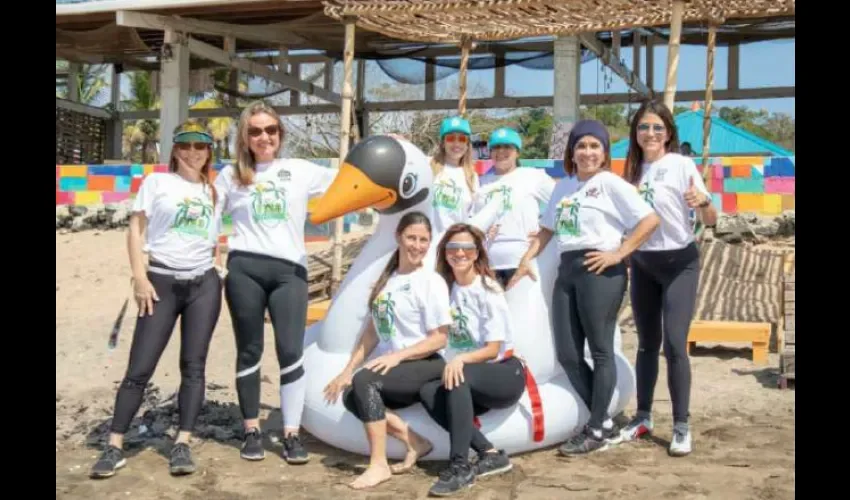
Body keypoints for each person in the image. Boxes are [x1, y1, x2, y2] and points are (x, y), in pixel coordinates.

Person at [512, 119, 660, 455]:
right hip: (567, 270)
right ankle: (604, 421)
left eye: (595, 146)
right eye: (582, 146)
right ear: (572, 151)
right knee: (567, 353)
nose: (588, 152)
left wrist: (619, 253)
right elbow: (547, 230)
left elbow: (650, 220)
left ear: (605, 152)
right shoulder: (563, 187)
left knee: (600, 350)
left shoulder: (610, 183)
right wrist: (526, 260)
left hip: (599, 272)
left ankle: (595, 429)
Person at [90, 121, 223, 478]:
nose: (193, 151)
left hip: (204, 285)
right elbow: (136, 229)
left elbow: (217, 235)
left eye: (200, 145)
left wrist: (219, 265)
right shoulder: (157, 183)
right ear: (175, 150)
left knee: (193, 367)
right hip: (160, 281)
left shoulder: (214, 189)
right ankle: (114, 444)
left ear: (210, 150)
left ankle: (182, 442)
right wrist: (139, 276)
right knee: (140, 368)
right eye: (185, 145)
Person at [214, 100, 337, 464]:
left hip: (290, 273)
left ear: (280, 135)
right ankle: (251, 429)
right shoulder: (231, 175)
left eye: (270, 130)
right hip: (244, 271)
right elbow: (205, 214)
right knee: (249, 350)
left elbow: (350, 179)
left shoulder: (299, 170)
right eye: (255, 131)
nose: (263, 137)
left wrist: (387, 147)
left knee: (290, 351)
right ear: (245, 137)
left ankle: (291, 434)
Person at [614, 100, 718, 456]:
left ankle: (681, 424)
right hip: (643, 264)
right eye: (644, 127)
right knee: (645, 343)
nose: (651, 133)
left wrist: (703, 201)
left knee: (675, 344)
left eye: (658, 127)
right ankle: (643, 416)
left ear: (669, 132)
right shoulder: (630, 170)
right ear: (636, 133)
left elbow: (712, 219)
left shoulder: (681, 164)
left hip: (679, 263)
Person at [323, 211, 451, 490]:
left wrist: (397, 356)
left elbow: (440, 338)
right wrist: (347, 371)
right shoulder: (388, 280)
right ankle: (415, 441)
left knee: (364, 381)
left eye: (423, 240)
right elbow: (371, 333)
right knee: (350, 395)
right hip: (397, 365)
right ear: (398, 237)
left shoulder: (431, 281)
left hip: (425, 362)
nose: (417, 245)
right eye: (411, 238)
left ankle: (378, 464)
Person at [418, 223, 525, 496]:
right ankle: (489, 453)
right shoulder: (445, 289)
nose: (460, 253)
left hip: (503, 372)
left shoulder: (487, 289)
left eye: (467, 248)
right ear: (445, 253)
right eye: (453, 248)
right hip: (468, 374)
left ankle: (460, 466)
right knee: (428, 390)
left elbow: (493, 348)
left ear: (477, 253)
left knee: (457, 375)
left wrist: (461, 359)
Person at [472, 127, 554, 288]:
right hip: (487, 265)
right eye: (496, 147)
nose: (501, 152)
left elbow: (563, 204)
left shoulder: (533, 176)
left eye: (507, 147)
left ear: (517, 152)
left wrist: (544, 230)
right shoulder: (480, 182)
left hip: (522, 263)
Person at [430, 116, 479, 235]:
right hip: (427, 245)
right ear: (443, 143)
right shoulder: (428, 166)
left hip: (455, 246)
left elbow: (474, 216)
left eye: (462, 139)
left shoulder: (472, 177)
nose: (456, 143)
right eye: (451, 138)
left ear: (467, 144)